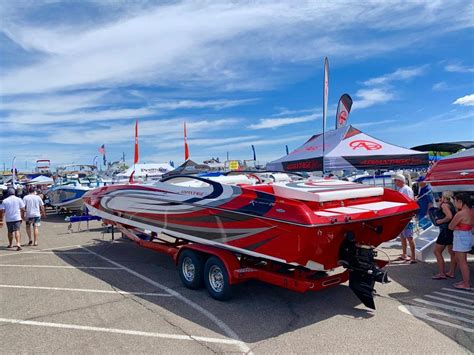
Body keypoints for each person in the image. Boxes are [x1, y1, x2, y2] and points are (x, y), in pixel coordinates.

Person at [448, 193, 472, 290]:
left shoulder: (461, 213)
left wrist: (459, 227)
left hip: (461, 237)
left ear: (460, 202)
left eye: (455, 201)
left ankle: (466, 283)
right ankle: (465, 281)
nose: (454, 203)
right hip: (468, 235)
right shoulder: (471, 211)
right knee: (462, 260)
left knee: (462, 262)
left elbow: (451, 226)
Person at [432, 191, 456, 279]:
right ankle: (451, 272)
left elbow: (449, 216)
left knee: (437, 251)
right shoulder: (452, 204)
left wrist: (440, 221)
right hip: (451, 230)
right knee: (452, 252)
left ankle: (441, 273)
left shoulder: (444, 205)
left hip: (445, 230)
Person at [393, 174, 416, 263]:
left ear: (400, 181)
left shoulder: (406, 190)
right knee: (403, 237)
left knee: (409, 237)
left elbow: (409, 202)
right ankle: (404, 254)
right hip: (403, 217)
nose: (394, 182)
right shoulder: (402, 189)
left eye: (395, 180)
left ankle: (413, 257)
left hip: (407, 217)